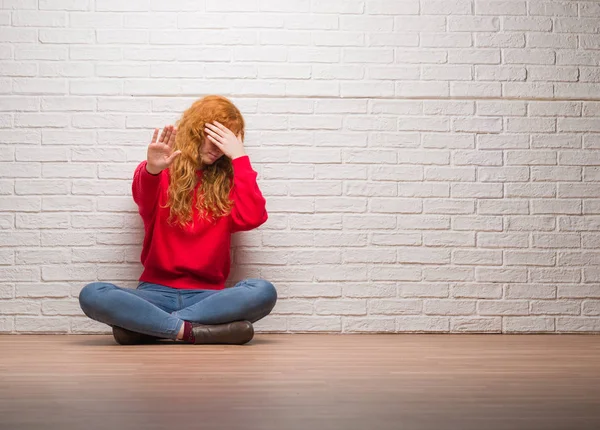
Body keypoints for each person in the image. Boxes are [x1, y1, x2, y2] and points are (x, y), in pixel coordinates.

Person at [78, 95, 277, 345]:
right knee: (93, 294)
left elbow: (252, 217)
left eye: (224, 141)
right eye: (212, 137)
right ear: (195, 132)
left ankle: (150, 326)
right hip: (154, 292)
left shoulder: (228, 185)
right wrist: (152, 169)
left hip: (207, 297)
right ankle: (191, 331)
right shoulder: (160, 172)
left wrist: (239, 158)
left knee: (263, 291)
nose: (217, 149)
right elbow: (142, 193)